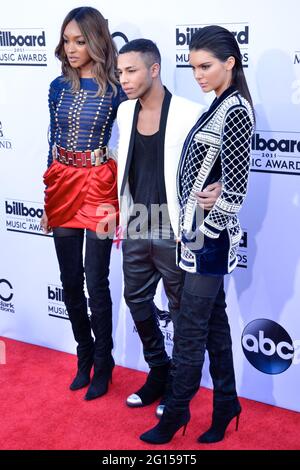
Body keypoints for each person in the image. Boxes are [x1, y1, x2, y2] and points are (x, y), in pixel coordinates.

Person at [140, 25, 255, 444]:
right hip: (197, 239)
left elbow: (236, 192)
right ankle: (226, 403)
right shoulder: (220, 104)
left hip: (210, 241)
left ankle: (175, 414)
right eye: (193, 67)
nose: (199, 75)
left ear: (231, 62)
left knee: (189, 330)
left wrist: (204, 228)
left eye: (206, 66)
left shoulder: (237, 109)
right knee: (215, 327)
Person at [116, 39, 221, 415]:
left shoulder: (191, 112)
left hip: (177, 228)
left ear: (154, 69)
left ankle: (179, 386)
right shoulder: (124, 112)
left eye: (131, 71)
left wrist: (220, 187)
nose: (124, 79)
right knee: (136, 300)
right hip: (137, 224)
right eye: (120, 72)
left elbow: (215, 164)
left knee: (181, 310)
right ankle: (159, 369)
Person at [40, 7, 125, 401]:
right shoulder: (58, 87)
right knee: (70, 280)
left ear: (96, 41)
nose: (71, 49)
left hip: (100, 187)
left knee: (97, 280)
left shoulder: (116, 88)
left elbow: (140, 137)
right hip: (62, 183)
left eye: (79, 41)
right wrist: (48, 200)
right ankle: (84, 354)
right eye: (67, 41)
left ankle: (104, 363)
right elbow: (50, 140)